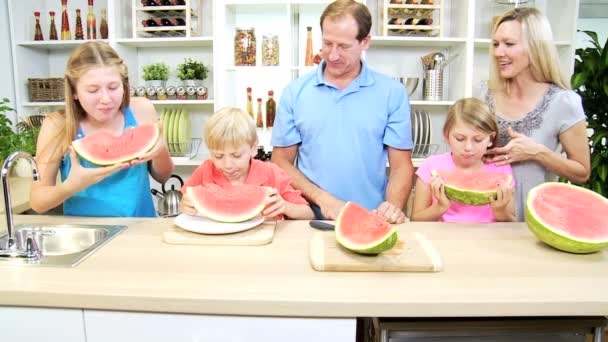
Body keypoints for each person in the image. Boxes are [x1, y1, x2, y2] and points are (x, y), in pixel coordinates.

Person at [270, 0, 414, 223]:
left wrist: (391, 210)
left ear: (365, 41)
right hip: (307, 218)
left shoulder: (392, 93)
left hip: (370, 217)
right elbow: (280, 162)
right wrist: (323, 199)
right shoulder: (294, 92)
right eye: (327, 43)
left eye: (344, 47)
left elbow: (401, 167)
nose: (333, 55)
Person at [30, 41, 173, 217]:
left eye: (113, 87)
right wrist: (70, 186)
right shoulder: (57, 125)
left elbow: (163, 176)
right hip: (86, 235)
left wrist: (160, 151)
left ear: (124, 85)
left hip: (139, 230)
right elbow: (38, 202)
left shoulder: (141, 110)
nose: (105, 98)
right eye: (92, 90)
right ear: (74, 91)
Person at [483, 7, 590, 221]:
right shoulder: (484, 95)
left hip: (535, 221)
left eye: (509, 44)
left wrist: (536, 153)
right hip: (484, 216)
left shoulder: (564, 102)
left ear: (535, 47)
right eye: (495, 44)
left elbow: (582, 173)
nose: (498, 52)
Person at [179, 107, 314, 220]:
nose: (227, 165)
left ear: (253, 148)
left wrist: (285, 206)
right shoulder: (205, 170)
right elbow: (184, 204)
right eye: (218, 156)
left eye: (236, 155)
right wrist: (184, 206)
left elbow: (308, 214)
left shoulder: (272, 173)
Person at [411, 98, 515, 223]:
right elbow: (416, 219)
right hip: (443, 239)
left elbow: (512, 222)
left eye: (478, 140)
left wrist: (500, 211)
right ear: (446, 136)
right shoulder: (431, 166)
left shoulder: (501, 169)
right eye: (460, 139)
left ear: (491, 139)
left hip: (488, 240)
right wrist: (439, 207)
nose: (468, 148)